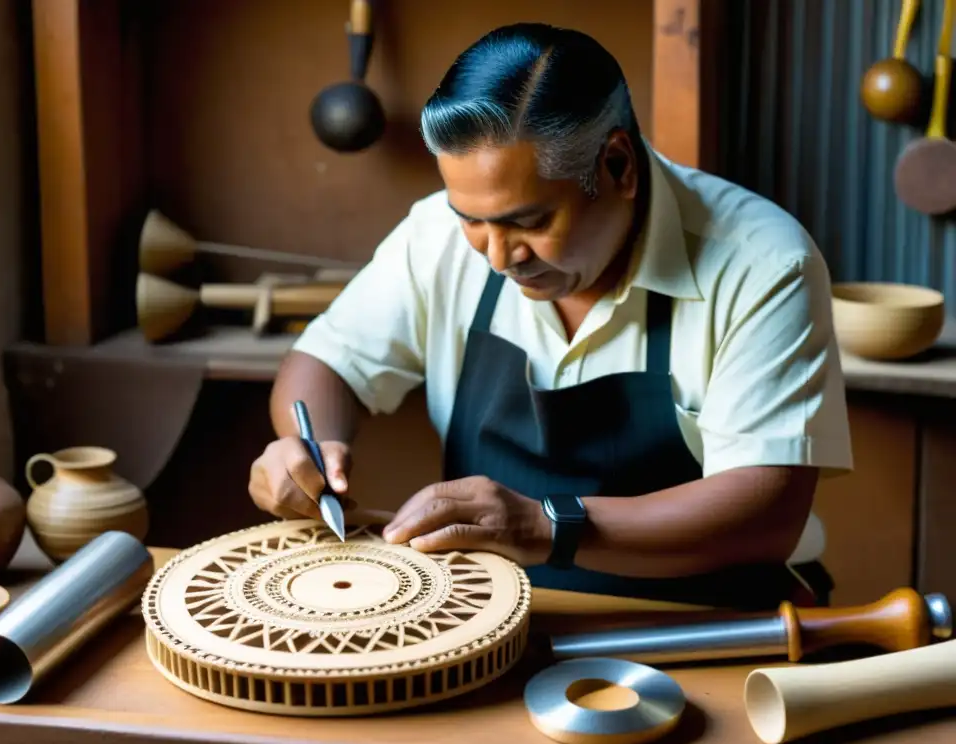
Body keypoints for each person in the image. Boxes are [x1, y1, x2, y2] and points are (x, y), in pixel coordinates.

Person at [248, 22, 853, 610]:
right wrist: (308, 449)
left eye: (530, 222)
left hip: (707, 618)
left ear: (619, 167)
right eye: (472, 218)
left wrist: (544, 525)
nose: (498, 255)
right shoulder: (435, 232)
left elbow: (767, 514)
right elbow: (325, 363)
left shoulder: (763, 261)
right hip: (489, 614)